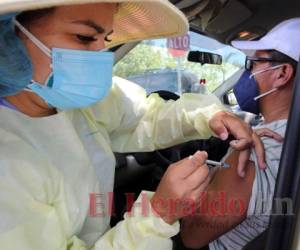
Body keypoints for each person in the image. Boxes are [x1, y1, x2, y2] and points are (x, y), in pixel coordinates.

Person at [0, 1, 267, 249]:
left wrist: (209, 116)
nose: (100, 55)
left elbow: (144, 116)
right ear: (8, 37)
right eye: (83, 37)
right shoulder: (8, 165)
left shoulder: (70, 97)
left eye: (105, 39)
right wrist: (159, 215)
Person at [181, 17, 300, 250]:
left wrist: (194, 188)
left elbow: (192, 236)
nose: (248, 73)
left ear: (282, 73)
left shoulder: (257, 149)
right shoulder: (288, 140)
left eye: (252, 63)